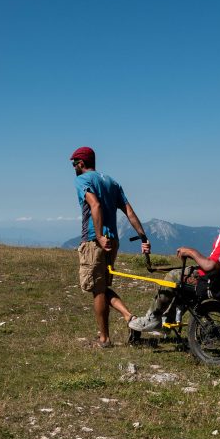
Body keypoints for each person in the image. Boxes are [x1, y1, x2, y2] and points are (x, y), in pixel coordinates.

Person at [129, 189, 220, 332]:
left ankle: (153, 318)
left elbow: (210, 265)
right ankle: (168, 318)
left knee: (173, 276)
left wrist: (190, 251)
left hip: (217, 281)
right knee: (184, 274)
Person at [71, 146, 149, 347]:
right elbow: (129, 212)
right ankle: (130, 319)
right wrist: (143, 237)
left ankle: (104, 339)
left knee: (97, 290)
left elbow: (94, 205)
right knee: (103, 287)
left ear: (81, 163)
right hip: (113, 241)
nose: (73, 168)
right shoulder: (112, 182)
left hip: (95, 241)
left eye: (74, 164)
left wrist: (98, 236)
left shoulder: (82, 180)